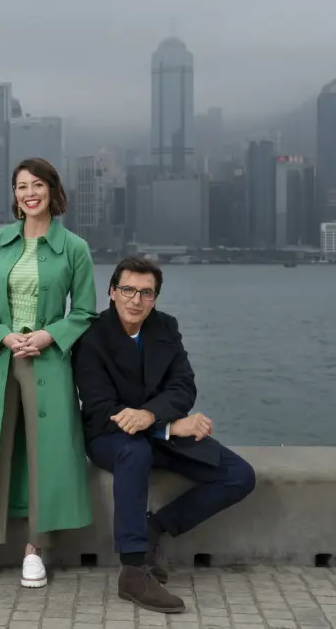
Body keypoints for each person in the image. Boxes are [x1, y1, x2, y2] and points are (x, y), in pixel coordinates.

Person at [0, 157, 97, 589]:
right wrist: (5, 337)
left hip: (47, 360)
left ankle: (35, 549)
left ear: (53, 190)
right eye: (22, 187)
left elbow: (84, 312)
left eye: (38, 185)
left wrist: (47, 336)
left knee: (44, 453)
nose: (29, 193)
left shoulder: (75, 249)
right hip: (0, 357)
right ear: (15, 195)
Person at [73, 257, 256, 614]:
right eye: (127, 290)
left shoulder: (165, 328)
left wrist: (155, 418)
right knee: (134, 453)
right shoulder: (91, 336)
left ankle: (154, 528)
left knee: (239, 475)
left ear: (155, 298)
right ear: (112, 292)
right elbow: (99, 407)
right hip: (110, 436)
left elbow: (183, 386)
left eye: (146, 293)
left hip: (159, 430)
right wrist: (167, 425)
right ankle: (133, 569)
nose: (135, 300)